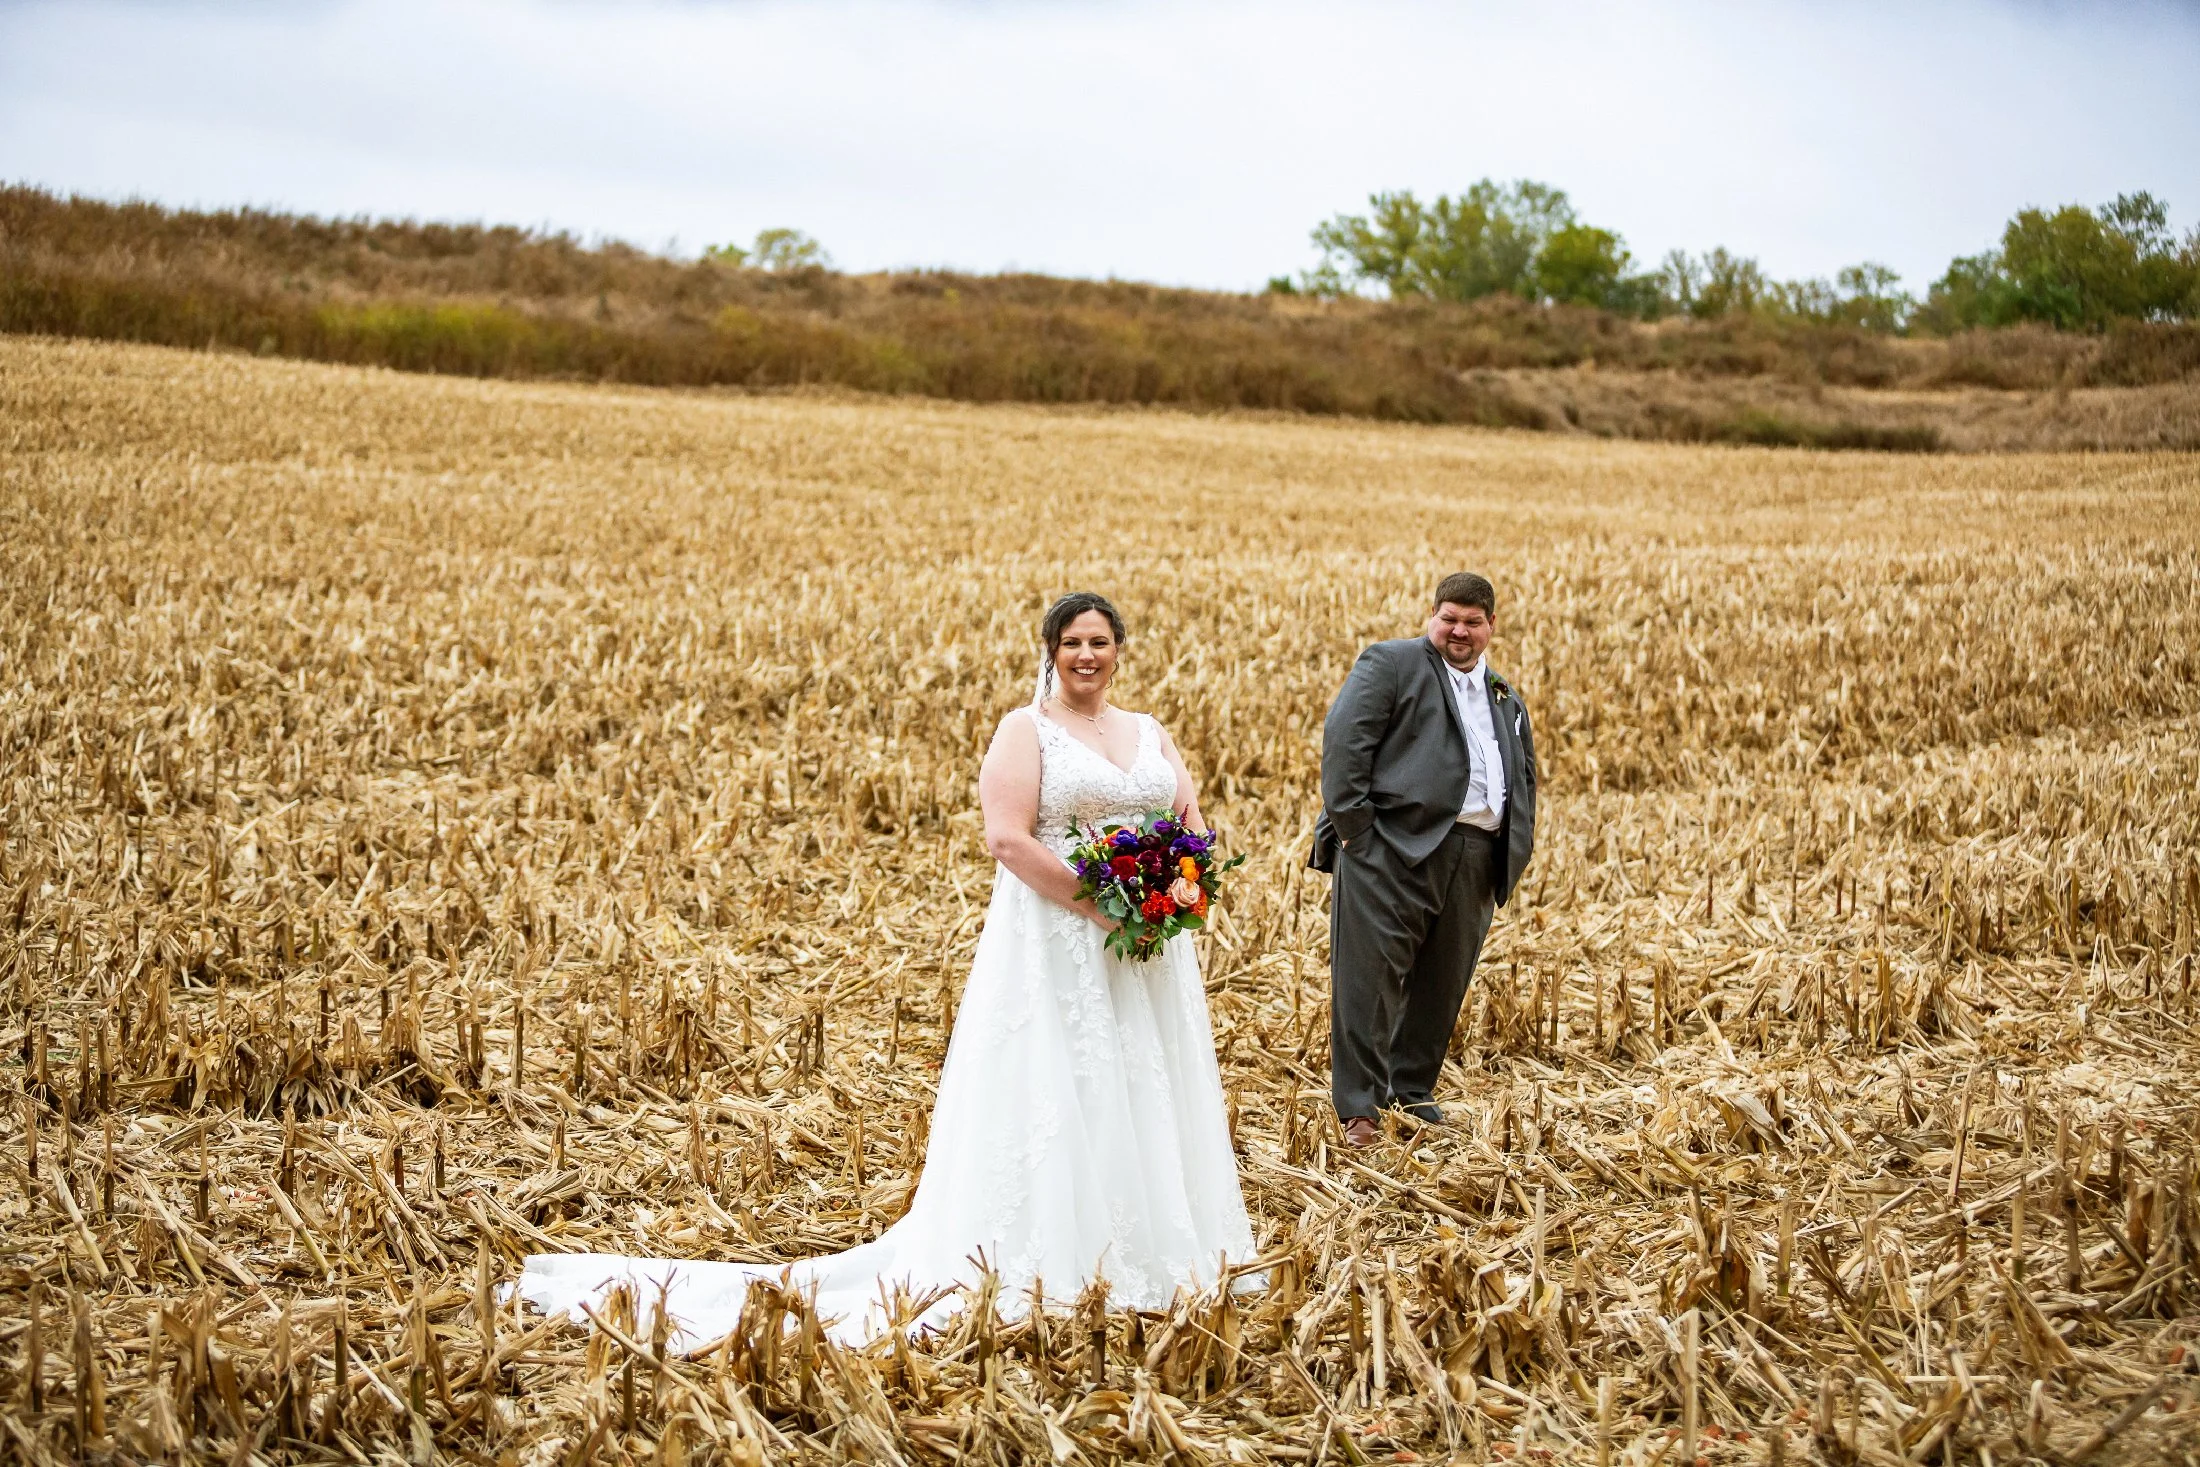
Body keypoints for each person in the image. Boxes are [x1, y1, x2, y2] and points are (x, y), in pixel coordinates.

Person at [516, 592, 1254, 1345]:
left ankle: (1155, 1250)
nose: (1086, 655)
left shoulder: (1148, 730)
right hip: (1062, 935)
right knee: (1071, 1079)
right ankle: (1068, 1258)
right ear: (1051, 652)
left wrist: (1174, 892)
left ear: (1119, 649)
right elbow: (1006, 838)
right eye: (1072, 643)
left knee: (1147, 1079)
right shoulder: (1025, 729)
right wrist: (1095, 904)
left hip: (1147, 946)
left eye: (1099, 641)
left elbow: (1190, 822)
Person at [1309, 572, 1539, 1148]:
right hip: (1389, 848)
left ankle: (1409, 1091)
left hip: (1475, 855)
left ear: (1491, 626)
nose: (1459, 631)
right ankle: (1359, 1108)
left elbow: (1524, 772)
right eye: (1449, 618)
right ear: (1432, 616)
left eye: (1472, 622)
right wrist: (1358, 836)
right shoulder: (1392, 663)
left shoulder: (1504, 695)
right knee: (1369, 977)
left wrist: (1514, 844)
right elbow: (1345, 743)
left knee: (1443, 980)